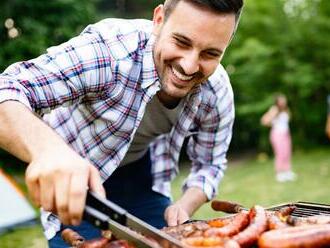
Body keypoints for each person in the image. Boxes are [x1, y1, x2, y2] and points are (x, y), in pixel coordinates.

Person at [0, 0, 243, 246]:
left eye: (210, 53)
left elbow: (210, 165)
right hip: (76, 182)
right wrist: (48, 152)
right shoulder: (109, 51)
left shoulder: (216, 91)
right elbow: (7, 89)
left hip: (143, 177)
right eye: (181, 42)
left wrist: (184, 205)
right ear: (158, 21)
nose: (189, 66)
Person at [261, 94, 296, 182]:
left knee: (287, 153)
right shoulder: (274, 109)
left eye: (284, 100)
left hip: (286, 134)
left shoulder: (286, 110)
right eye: (281, 100)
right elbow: (264, 121)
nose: (283, 102)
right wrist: (272, 123)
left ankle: (287, 171)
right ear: (277, 102)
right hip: (277, 134)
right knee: (280, 153)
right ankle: (279, 173)